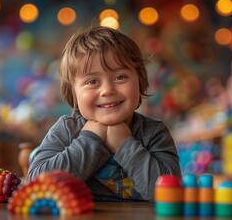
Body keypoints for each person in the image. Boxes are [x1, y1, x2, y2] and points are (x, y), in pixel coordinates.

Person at [27, 26, 181, 202]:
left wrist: (125, 145)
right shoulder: (67, 130)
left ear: (140, 82)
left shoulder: (154, 133)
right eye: (92, 81)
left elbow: (171, 195)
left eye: (120, 77)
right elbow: (37, 187)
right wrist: (89, 140)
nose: (107, 90)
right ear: (73, 93)